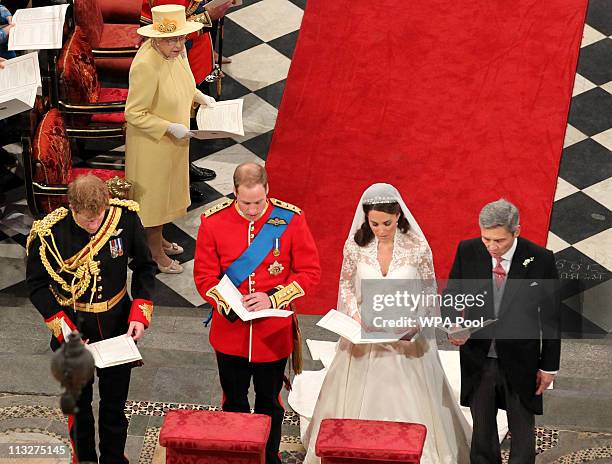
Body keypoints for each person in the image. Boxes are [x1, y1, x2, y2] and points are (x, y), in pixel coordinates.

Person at [301, 183, 471, 464]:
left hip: (406, 337)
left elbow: (429, 290)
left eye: (387, 223)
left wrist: (416, 323)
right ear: (366, 218)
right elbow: (345, 284)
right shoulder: (356, 245)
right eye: (374, 223)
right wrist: (355, 316)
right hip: (365, 334)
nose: (381, 229)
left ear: (399, 217)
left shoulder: (417, 247)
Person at [194, 163, 321, 464]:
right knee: (234, 401)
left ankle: (268, 457)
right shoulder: (213, 222)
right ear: (234, 193)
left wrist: (274, 298)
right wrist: (230, 303)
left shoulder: (289, 220)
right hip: (230, 334)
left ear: (267, 191)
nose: (252, 210)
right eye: (245, 203)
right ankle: (238, 456)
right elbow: (204, 277)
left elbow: (309, 272)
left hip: (272, 335)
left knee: (269, 403)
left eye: (259, 202)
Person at [25, 174, 157, 464]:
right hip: (74, 328)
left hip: (117, 327)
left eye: (99, 218)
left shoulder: (125, 219)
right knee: (79, 408)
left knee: (114, 406)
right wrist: (66, 332)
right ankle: (83, 459)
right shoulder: (50, 232)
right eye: (87, 221)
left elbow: (145, 268)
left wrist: (140, 313)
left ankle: (113, 458)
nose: (95, 226)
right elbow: (35, 285)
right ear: (72, 206)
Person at [444, 199, 560, 464]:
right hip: (478, 357)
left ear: (516, 231)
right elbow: (452, 294)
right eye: (486, 240)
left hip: (522, 360)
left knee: (522, 431)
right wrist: (452, 324)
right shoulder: (468, 250)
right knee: (482, 432)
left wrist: (549, 366)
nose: (492, 248)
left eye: (500, 241)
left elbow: (552, 317)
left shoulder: (540, 259)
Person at [125, 4, 217, 274]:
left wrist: (201, 97)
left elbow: (186, 81)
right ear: (155, 38)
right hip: (151, 144)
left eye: (180, 37)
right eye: (170, 39)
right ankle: (153, 253)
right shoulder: (145, 65)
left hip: (174, 140)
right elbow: (134, 113)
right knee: (154, 200)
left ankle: (160, 240)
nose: (178, 45)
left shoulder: (176, 52)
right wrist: (168, 127)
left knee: (166, 195)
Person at [140, 0, 232, 199]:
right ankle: (176, 184)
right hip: (175, 62)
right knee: (175, 130)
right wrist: (207, 15)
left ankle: (185, 169)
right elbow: (168, 34)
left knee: (188, 125)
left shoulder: (177, 47)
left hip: (192, 61)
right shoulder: (160, 53)